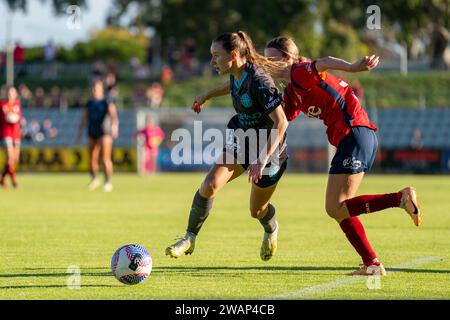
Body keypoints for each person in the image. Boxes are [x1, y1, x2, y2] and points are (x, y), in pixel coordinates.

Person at [263, 36, 421, 276]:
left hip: (354, 133)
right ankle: (372, 264)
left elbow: (323, 62)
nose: (265, 63)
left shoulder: (299, 72)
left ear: (287, 58)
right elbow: (282, 118)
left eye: (270, 58)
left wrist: (352, 66)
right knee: (340, 208)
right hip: (354, 136)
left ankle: (400, 199)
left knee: (335, 207)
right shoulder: (293, 90)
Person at [165, 31, 288, 261]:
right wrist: (206, 95)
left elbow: (282, 121)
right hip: (242, 138)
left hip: (269, 150)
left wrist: (261, 159)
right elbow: (230, 85)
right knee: (210, 183)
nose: (212, 62)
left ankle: (271, 228)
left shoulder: (260, 81)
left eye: (215, 56)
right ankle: (189, 238)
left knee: (257, 211)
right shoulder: (237, 72)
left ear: (233, 55)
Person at [76, 81, 119, 192]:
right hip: (92, 131)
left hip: (105, 131)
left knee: (105, 158)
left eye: (96, 89)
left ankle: (107, 182)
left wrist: (115, 127)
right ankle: (94, 179)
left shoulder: (106, 101)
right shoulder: (89, 103)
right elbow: (84, 118)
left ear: (101, 90)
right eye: (93, 89)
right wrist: (79, 133)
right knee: (92, 158)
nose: (94, 91)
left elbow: (113, 115)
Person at [0, 86, 22, 188]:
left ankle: (2, 180)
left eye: (12, 93)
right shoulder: (2, 104)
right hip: (6, 133)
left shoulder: (17, 104)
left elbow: (17, 118)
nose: (10, 95)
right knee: (9, 158)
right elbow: (8, 117)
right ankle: (14, 181)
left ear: (16, 94)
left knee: (14, 159)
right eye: (8, 93)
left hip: (16, 134)